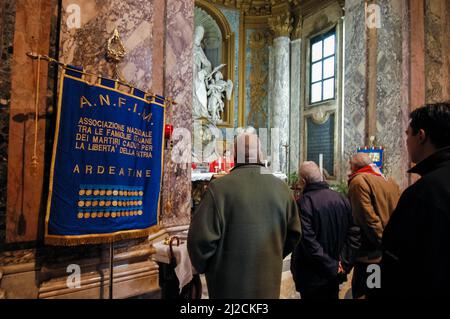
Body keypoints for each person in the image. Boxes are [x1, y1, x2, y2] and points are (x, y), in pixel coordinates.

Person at [187, 128, 301, 298]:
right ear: (261, 154)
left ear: (234, 156)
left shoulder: (218, 189)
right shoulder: (282, 188)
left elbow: (199, 241)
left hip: (227, 285)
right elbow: (294, 233)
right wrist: (273, 253)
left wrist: (207, 267)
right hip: (267, 283)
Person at [380, 102, 450, 298]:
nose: (406, 141)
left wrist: (370, 289)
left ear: (421, 136)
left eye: (407, 134)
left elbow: (391, 261)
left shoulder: (422, 193)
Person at [290, 161, 360, 300]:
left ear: (303, 181)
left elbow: (308, 243)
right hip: (335, 273)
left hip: (312, 276)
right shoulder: (341, 199)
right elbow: (355, 233)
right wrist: (343, 263)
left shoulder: (303, 203)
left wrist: (333, 266)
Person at [347, 153, 401, 299]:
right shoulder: (389, 180)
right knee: (376, 289)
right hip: (386, 251)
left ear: (354, 166)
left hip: (370, 254)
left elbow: (367, 219)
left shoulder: (359, 181)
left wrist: (382, 242)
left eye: (350, 166)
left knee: (364, 292)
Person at [193, 25, 212, 119]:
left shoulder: (199, 50)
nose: (200, 35)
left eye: (202, 34)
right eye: (199, 33)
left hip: (197, 73)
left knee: (202, 91)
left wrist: (204, 71)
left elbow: (208, 64)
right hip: (188, 73)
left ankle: (202, 111)